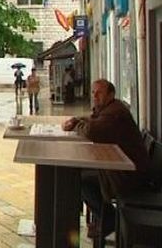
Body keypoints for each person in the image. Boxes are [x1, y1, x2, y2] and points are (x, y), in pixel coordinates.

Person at [62, 79, 150, 238]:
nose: (95, 96)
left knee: (78, 178)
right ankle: (102, 216)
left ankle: (107, 217)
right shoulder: (110, 108)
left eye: (100, 92)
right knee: (78, 171)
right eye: (93, 92)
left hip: (127, 175)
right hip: (122, 167)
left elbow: (92, 131)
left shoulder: (115, 112)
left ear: (111, 95)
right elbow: (92, 120)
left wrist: (76, 124)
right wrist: (77, 120)